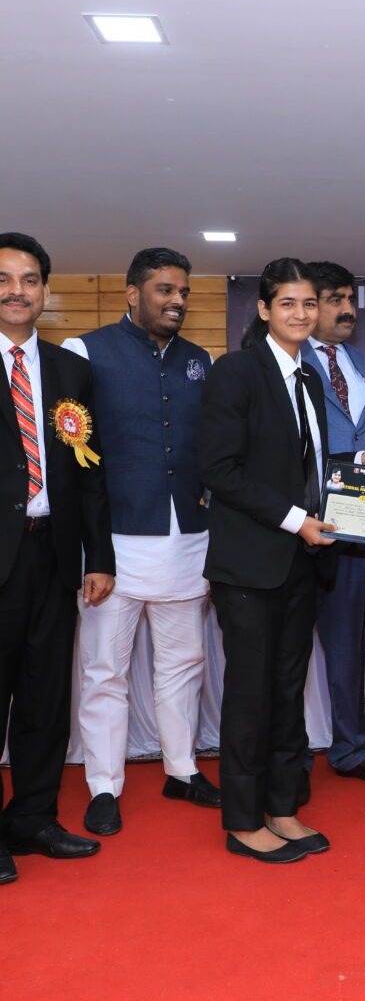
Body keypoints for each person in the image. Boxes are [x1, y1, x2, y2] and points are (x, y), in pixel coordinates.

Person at [200, 258, 365, 863]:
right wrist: (295, 520)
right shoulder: (236, 372)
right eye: (287, 303)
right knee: (250, 695)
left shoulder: (309, 378)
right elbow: (220, 470)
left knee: (288, 692)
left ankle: (282, 808)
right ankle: (242, 822)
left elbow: (307, 464)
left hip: (302, 563)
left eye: (309, 304)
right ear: (264, 310)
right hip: (249, 565)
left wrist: (358, 465)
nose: (301, 314)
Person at [63, 248, 219, 837]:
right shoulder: (84, 351)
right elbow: (75, 461)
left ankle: (181, 769)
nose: (177, 300)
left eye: (184, 292)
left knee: (183, 663)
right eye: (164, 290)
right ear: (132, 294)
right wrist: (91, 547)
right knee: (106, 670)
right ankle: (104, 785)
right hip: (113, 543)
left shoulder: (200, 359)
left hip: (187, 540)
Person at [0, 232, 115, 883]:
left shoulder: (70, 370)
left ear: (45, 289)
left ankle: (33, 819)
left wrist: (99, 557)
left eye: (29, 279)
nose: (17, 291)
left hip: (55, 555)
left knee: (46, 699)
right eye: (3, 279)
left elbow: (89, 471)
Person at [301, 261, 365, 787]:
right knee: (288, 654)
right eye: (335, 300)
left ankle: (352, 748)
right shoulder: (285, 359)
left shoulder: (364, 362)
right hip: (298, 523)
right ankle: (289, 759)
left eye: (350, 299)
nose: (348, 310)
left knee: (348, 648)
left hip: (357, 528)